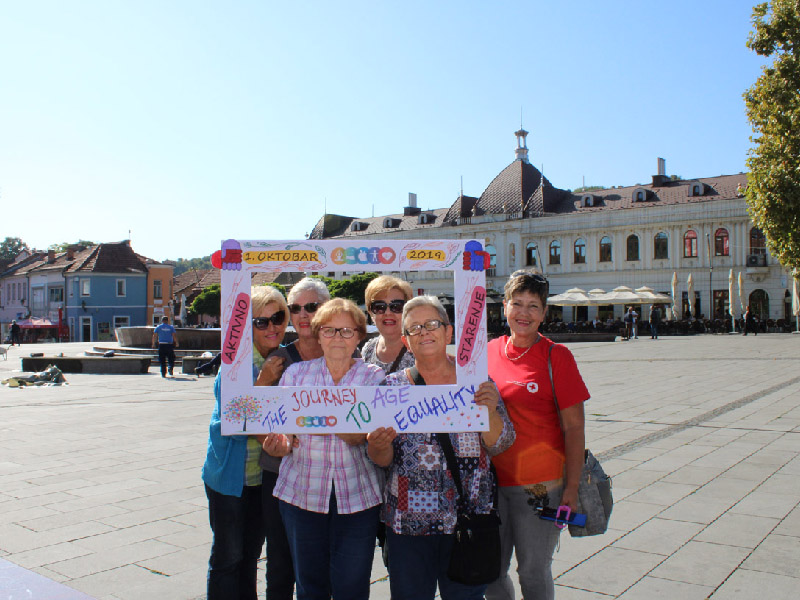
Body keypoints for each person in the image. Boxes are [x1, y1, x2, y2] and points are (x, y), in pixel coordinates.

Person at [367, 296, 515, 600]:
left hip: (467, 519)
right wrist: (377, 445)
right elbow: (382, 460)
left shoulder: (476, 383)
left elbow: (500, 444)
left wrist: (487, 413)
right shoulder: (391, 389)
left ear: (448, 333)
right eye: (415, 328)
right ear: (407, 342)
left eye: (432, 324)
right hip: (408, 525)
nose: (425, 332)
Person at [262, 298, 385, 600]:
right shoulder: (296, 375)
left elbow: (366, 437)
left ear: (359, 335)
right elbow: (285, 430)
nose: (337, 338)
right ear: (318, 335)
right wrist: (280, 444)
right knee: (309, 586)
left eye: (346, 331)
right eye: (329, 331)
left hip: (357, 497)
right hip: (301, 493)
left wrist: (331, 421)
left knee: (352, 587)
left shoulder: (375, 377)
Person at [485, 271, 591, 600]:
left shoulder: (556, 356)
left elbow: (574, 428)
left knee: (532, 569)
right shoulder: (487, 353)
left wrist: (571, 488)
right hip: (489, 485)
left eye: (534, 306)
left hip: (541, 487)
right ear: (504, 307)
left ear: (544, 313)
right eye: (517, 304)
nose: (524, 313)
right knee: (489, 570)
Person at [202, 286, 290, 600]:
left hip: (264, 479)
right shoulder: (235, 365)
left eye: (278, 317)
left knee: (251, 554)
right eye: (261, 321)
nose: (272, 327)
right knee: (229, 556)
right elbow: (234, 423)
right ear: (246, 325)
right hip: (231, 478)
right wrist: (264, 381)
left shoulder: (285, 360)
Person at [361, 275, 416, 375]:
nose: (388, 312)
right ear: (370, 312)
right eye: (379, 307)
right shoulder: (368, 349)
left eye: (396, 306)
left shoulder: (418, 348)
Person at [283, 278, 331, 362]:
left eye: (311, 307)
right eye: (295, 308)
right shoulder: (279, 361)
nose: (302, 315)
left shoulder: (349, 352)